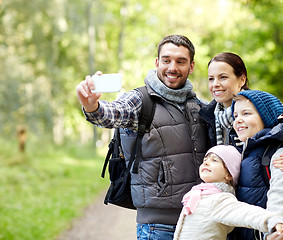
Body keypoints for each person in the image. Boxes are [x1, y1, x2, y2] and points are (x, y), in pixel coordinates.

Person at [76, 35, 210, 240]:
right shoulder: (140, 100)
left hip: (198, 222)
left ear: (191, 66)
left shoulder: (197, 105)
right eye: (166, 60)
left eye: (180, 61)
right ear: (157, 63)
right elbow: (111, 113)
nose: (172, 67)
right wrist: (91, 106)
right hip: (158, 226)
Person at [199, 52, 283, 175]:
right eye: (211, 79)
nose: (215, 84)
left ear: (242, 80)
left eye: (223, 77)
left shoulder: (263, 110)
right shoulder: (207, 116)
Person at [229, 90, 283, 239]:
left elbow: (281, 194)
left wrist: (275, 227)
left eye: (246, 114)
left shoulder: (280, 152)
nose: (238, 120)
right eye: (236, 116)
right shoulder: (246, 150)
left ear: (266, 118)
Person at [173, 145, 283, 240]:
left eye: (214, 160)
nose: (206, 162)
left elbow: (246, 213)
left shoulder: (220, 199)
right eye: (205, 159)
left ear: (229, 174)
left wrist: (273, 221)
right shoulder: (198, 194)